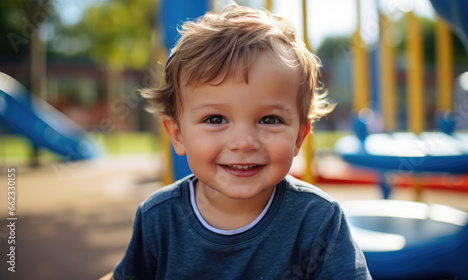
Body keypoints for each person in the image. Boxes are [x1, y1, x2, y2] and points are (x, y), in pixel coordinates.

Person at [111, 3, 371, 279]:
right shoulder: (158, 218)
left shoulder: (317, 219)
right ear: (177, 135)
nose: (244, 142)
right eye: (215, 119)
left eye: (269, 120)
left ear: (299, 137)